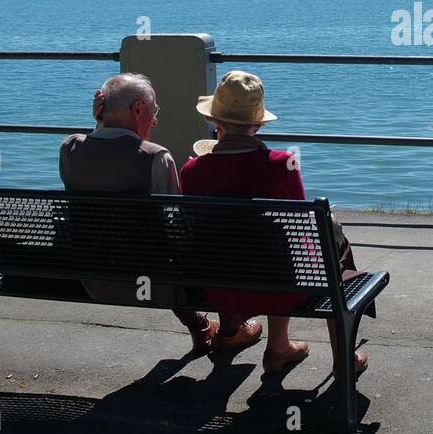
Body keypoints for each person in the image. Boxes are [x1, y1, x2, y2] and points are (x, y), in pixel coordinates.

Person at [181, 70, 370, 377]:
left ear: (215, 121)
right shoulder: (281, 165)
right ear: (258, 123)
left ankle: (271, 344)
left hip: (219, 287)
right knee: (329, 242)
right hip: (282, 288)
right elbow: (299, 230)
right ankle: (340, 358)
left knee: (246, 247)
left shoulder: (191, 170)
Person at [58, 72, 262, 354]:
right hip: (154, 283)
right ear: (138, 109)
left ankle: (202, 327)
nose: (154, 120)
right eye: (153, 111)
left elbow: (99, 159)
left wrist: (100, 124)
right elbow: (178, 234)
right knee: (208, 238)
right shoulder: (155, 156)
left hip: (94, 278)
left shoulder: (69, 148)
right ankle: (231, 329)